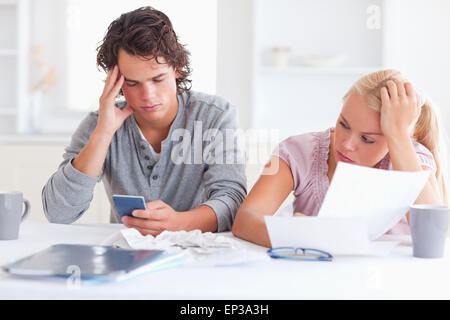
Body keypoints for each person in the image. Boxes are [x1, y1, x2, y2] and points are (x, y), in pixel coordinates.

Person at [42, 6, 247, 235]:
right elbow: (58, 213)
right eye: (132, 83)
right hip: (127, 258)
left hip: (198, 254)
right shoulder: (100, 123)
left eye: (158, 79)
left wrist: (179, 223)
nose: (148, 96)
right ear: (116, 81)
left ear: (177, 69)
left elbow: (232, 200)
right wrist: (103, 134)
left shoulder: (215, 116)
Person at [232, 69, 448, 248]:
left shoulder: (412, 158)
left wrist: (399, 136)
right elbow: (245, 220)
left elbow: (433, 236)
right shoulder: (301, 151)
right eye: (343, 124)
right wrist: (296, 234)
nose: (346, 144)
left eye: (367, 139)